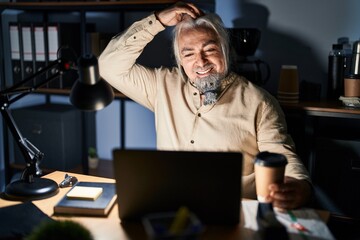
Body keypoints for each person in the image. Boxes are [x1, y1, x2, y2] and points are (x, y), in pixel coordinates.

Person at [99, 2, 312, 210]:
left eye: (209, 49)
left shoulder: (259, 102)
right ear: (180, 60)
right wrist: (157, 21)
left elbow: (281, 154)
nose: (200, 62)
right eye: (188, 53)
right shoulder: (161, 86)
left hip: (230, 213)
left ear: (225, 49)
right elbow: (108, 65)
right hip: (171, 208)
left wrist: (298, 185)